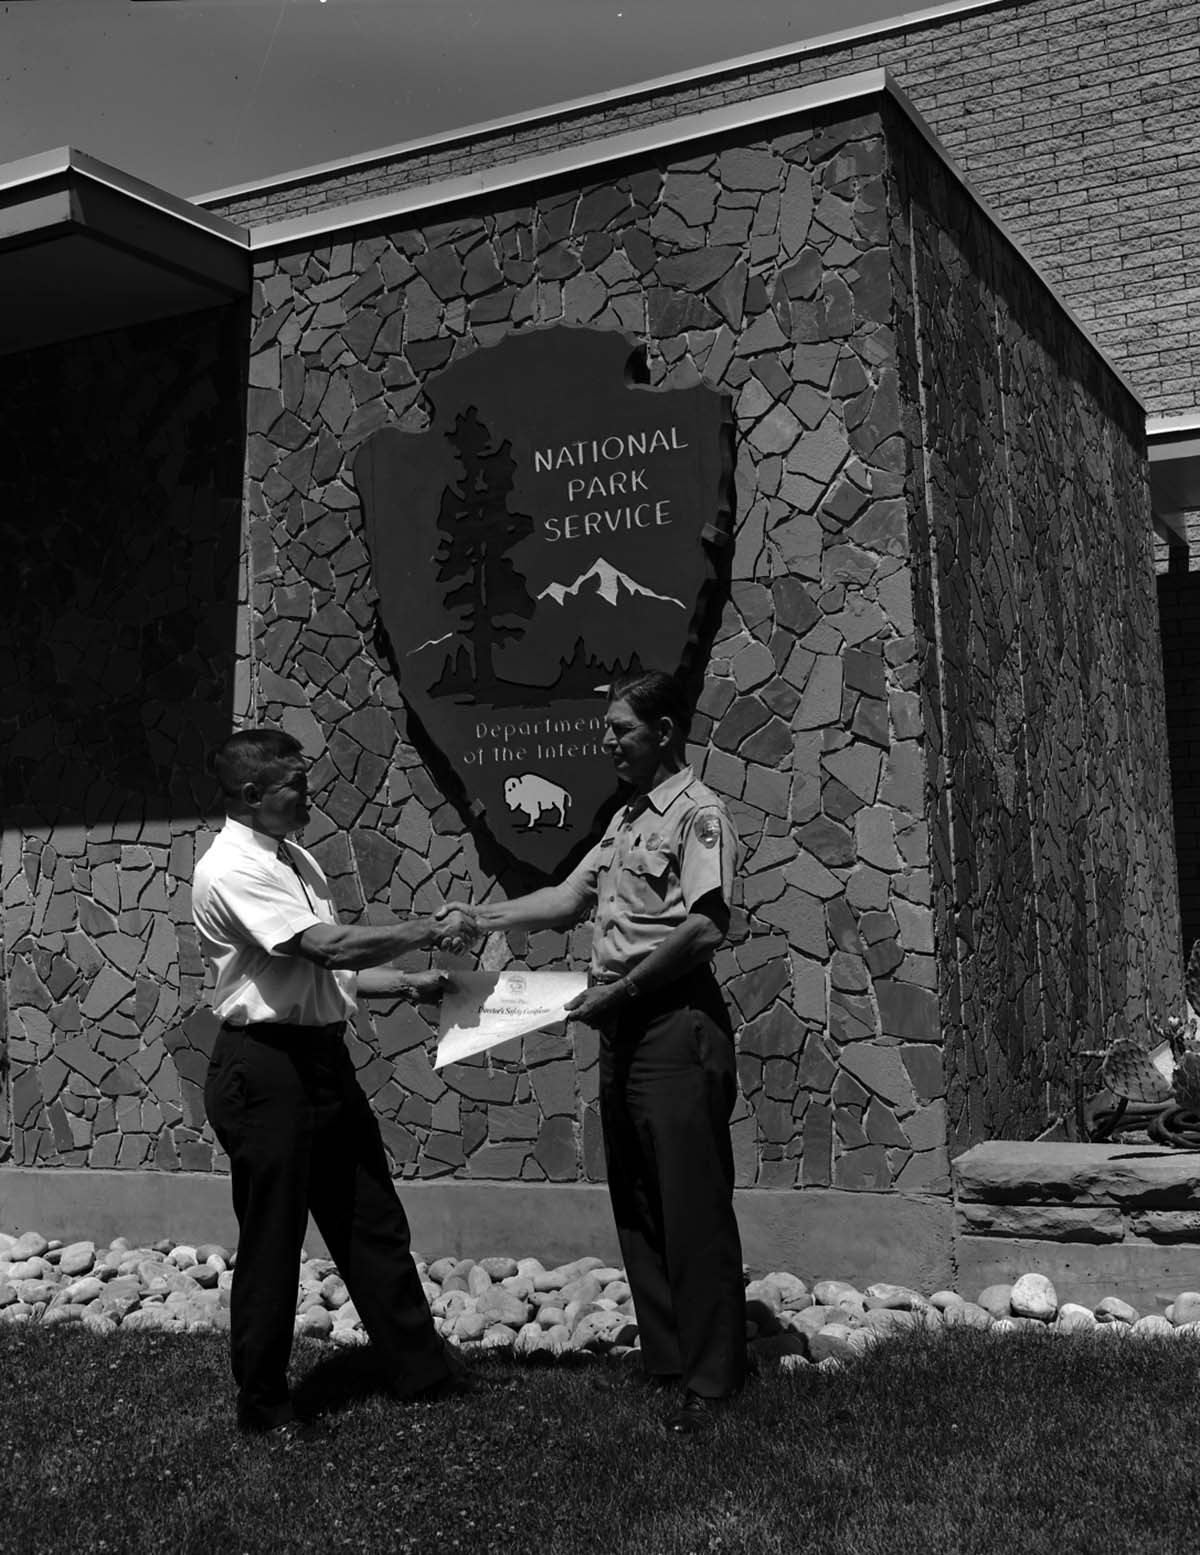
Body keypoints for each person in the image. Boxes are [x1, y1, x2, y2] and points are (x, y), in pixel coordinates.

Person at [442, 670, 746, 1435]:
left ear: (666, 732)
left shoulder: (698, 816)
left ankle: (712, 1383)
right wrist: (480, 917)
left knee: (691, 1202)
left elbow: (708, 926)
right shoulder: (624, 818)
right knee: (640, 1199)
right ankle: (668, 1360)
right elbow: (568, 897)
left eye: (622, 729)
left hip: (674, 1021)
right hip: (623, 1025)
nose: (607, 740)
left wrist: (624, 989)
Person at [193, 727, 474, 1440]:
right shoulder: (230, 867)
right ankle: (263, 1405)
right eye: (296, 782)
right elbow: (325, 944)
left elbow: (330, 970)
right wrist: (423, 930)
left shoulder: (295, 856)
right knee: (273, 1238)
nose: (309, 792)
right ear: (253, 794)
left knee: (370, 1217)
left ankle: (422, 1370)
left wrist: (408, 984)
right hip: (263, 1071)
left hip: (319, 1062)